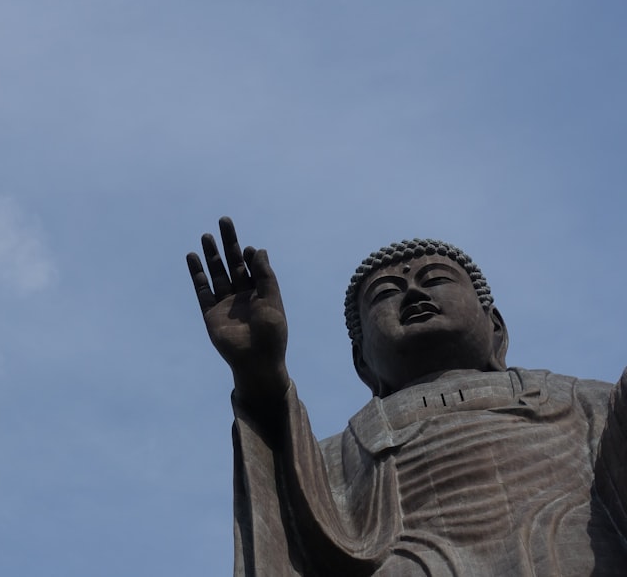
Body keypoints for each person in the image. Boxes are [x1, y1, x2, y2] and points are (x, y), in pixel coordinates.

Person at [186, 217, 627, 576]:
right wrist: (261, 373)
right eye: (386, 294)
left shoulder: (578, 398)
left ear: (496, 328)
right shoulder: (341, 451)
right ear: (362, 363)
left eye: (435, 279)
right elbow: (294, 530)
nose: (413, 293)